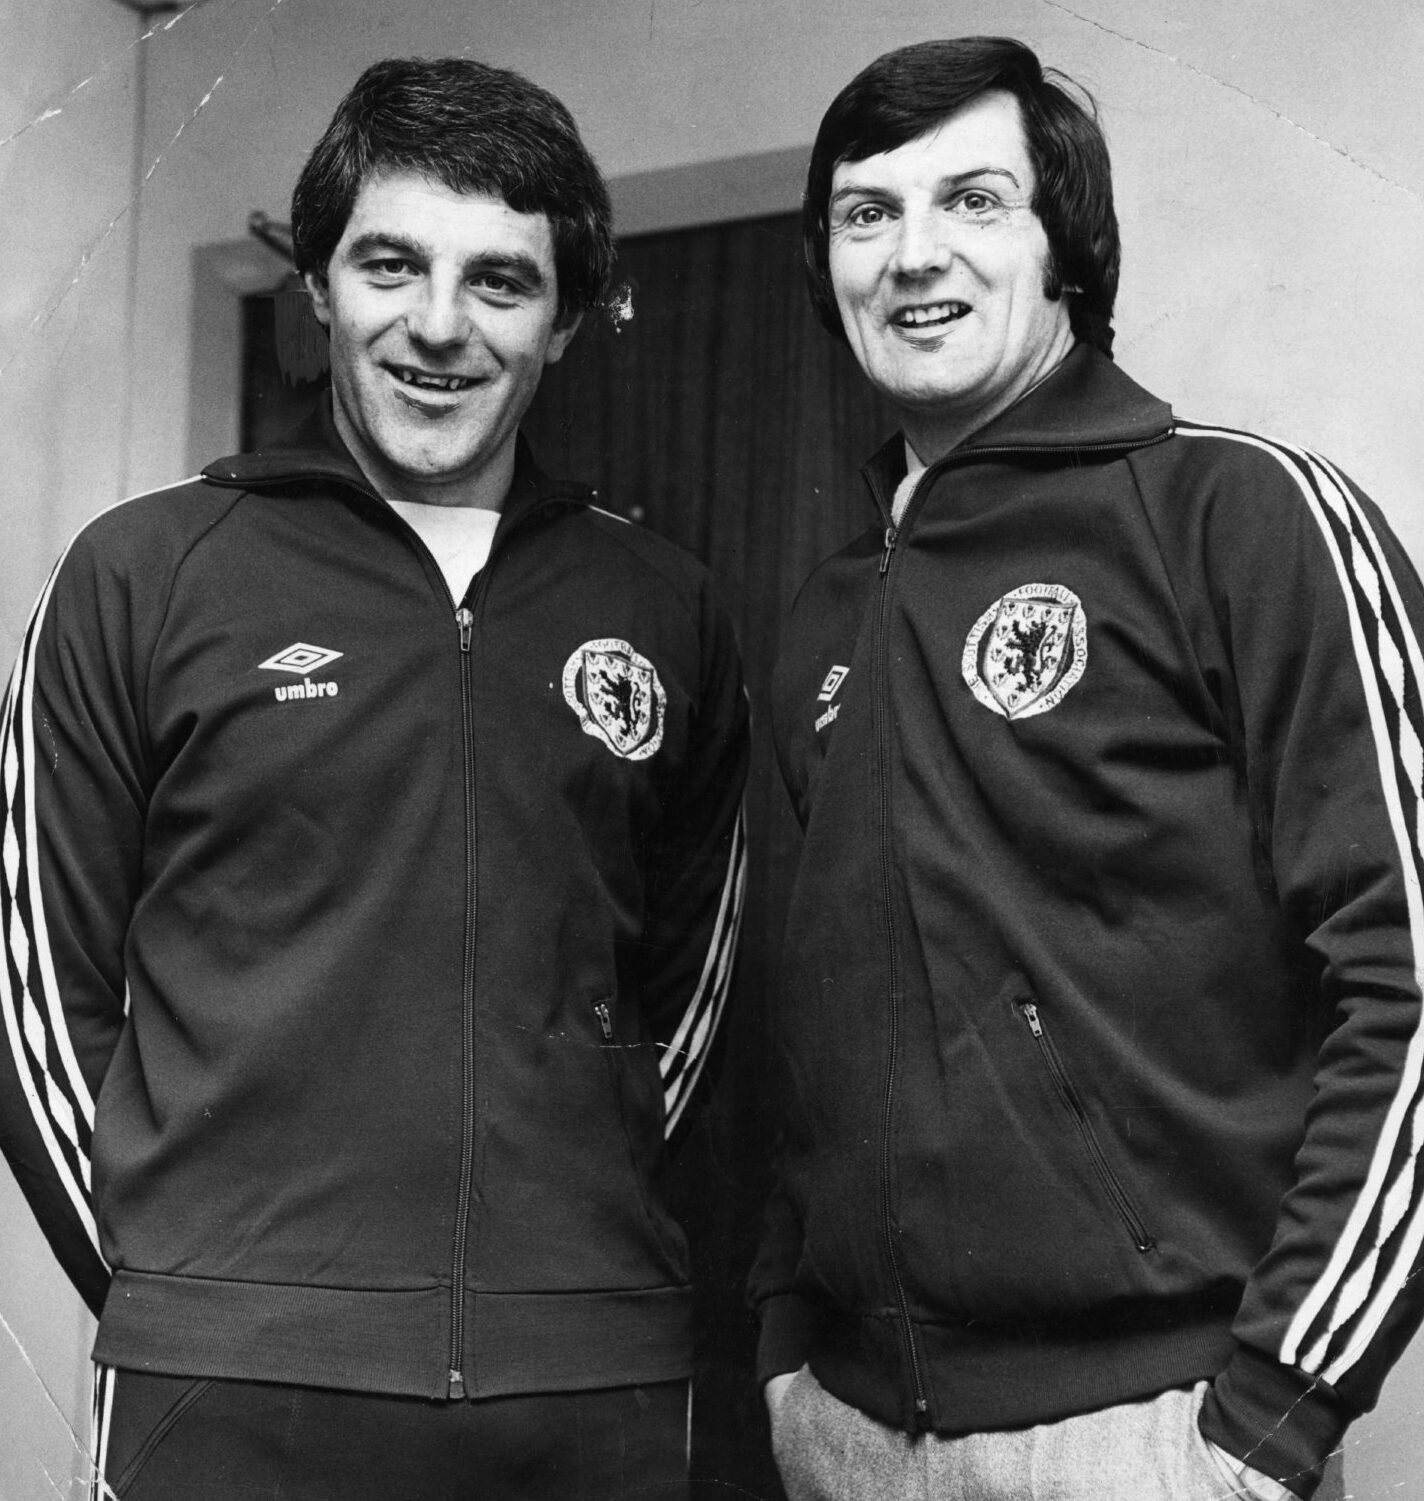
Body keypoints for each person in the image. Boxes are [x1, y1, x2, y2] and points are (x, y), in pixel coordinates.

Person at [0, 56, 748, 1501]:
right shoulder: (143, 576)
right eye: (390, 264)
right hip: (233, 1383)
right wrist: (181, 1286)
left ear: (570, 320)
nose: (438, 327)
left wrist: (573, 1265)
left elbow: (692, 986)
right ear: (322, 291)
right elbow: (31, 982)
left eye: (501, 283)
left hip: (585, 1388)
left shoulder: (666, 607)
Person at [750, 34, 1424, 1501]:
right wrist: (784, 1353)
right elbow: (789, 1028)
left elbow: (1413, 982)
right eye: (868, 214)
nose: (914, 253)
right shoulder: (823, 606)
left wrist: (1273, 1417)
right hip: (845, 1435)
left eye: (974, 200)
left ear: (1067, 241)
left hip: (1150, 1436)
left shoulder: (1243, 516)